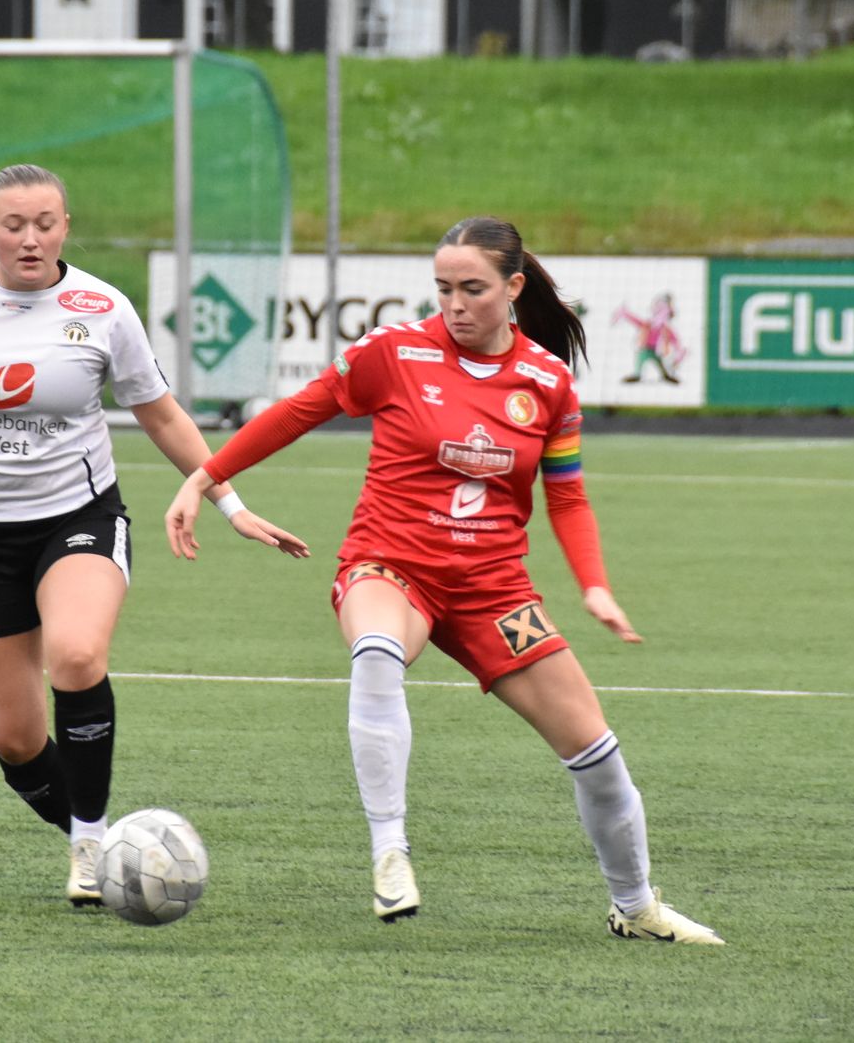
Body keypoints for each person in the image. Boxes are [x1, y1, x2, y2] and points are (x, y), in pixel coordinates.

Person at [165, 216, 724, 946]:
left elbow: (568, 494)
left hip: (495, 589)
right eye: (443, 288)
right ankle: (389, 850)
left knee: (598, 756)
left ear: (514, 287)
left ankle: (636, 904)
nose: (455, 304)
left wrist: (594, 584)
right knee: (375, 650)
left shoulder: (548, 383)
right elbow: (300, 411)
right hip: (392, 565)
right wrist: (206, 478)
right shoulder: (392, 353)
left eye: (473, 289)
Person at [0, 163, 308, 906]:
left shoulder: (102, 306)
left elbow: (161, 413)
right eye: (14, 225)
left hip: (79, 516)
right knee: (15, 742)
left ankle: (92, 843)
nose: (30, 239)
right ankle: (101, 835)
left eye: (45, 223)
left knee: (75, 654)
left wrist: (226, 500)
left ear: (66, 226)